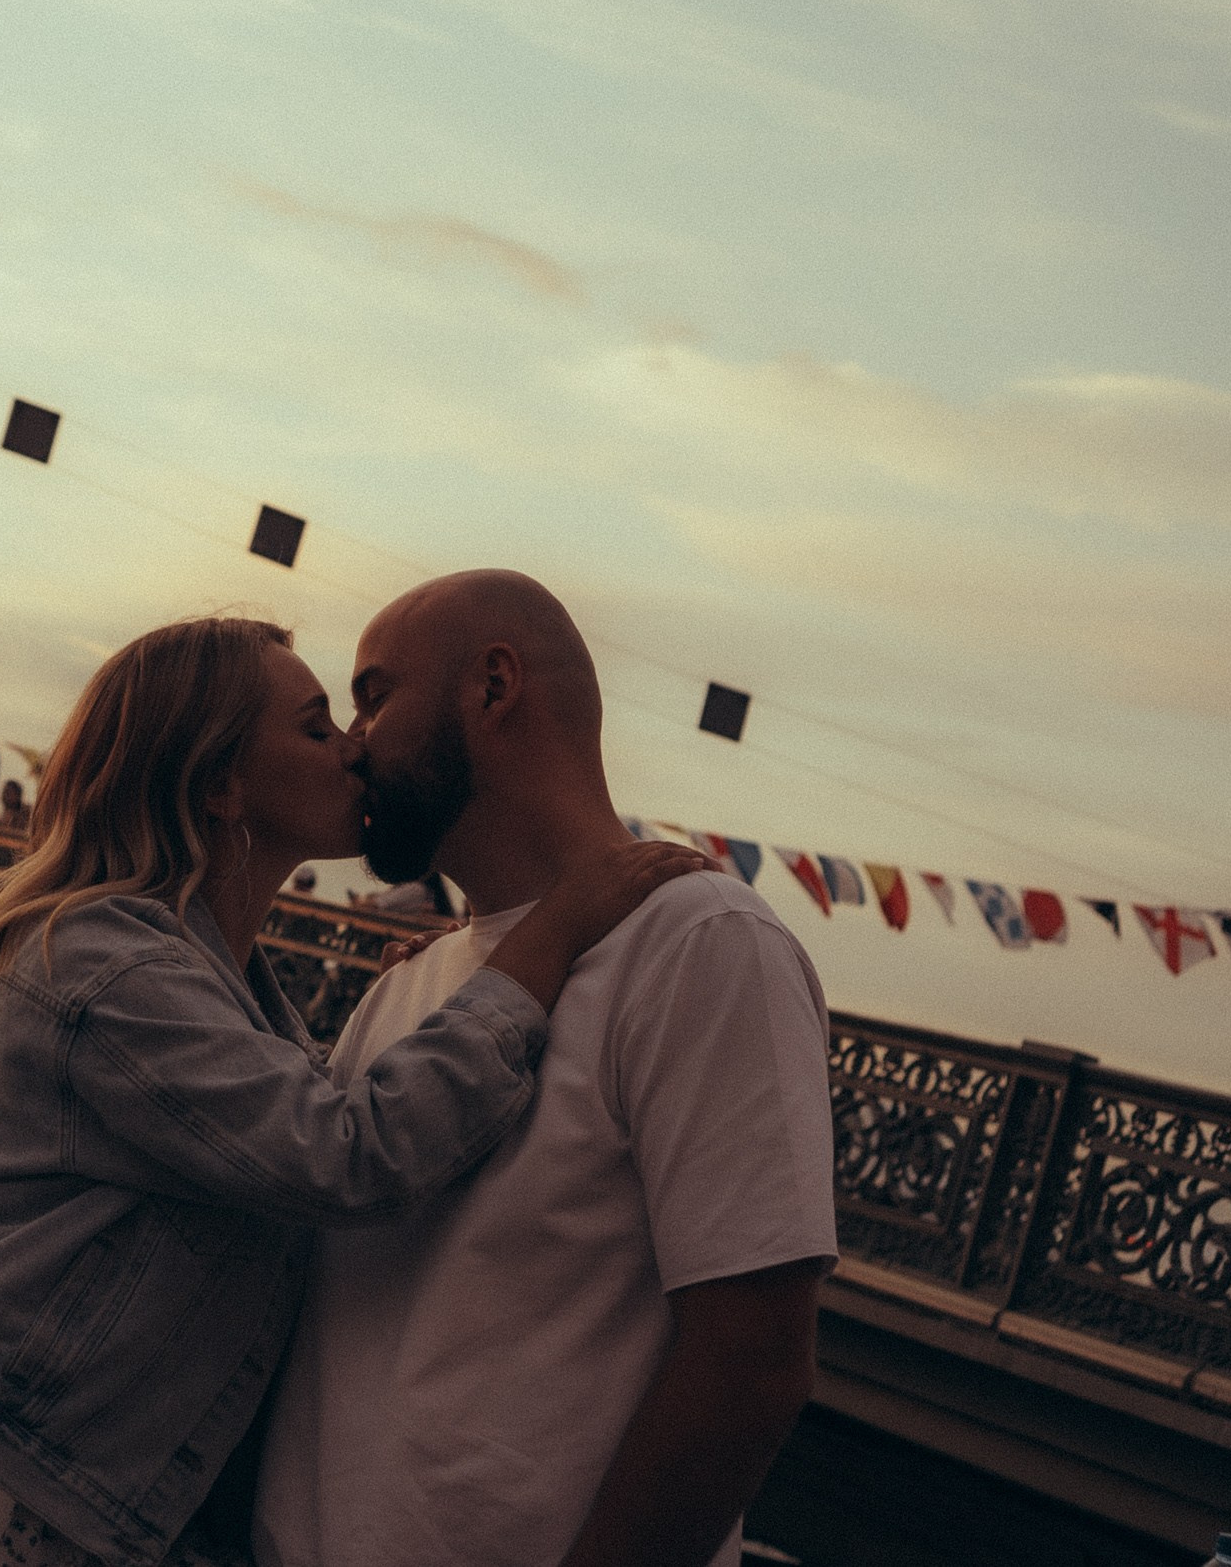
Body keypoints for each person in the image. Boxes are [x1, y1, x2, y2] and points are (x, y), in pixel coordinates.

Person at [0, 616, 708, 1567]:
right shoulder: (109, 963)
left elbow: (275, 1147)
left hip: (6, 1453)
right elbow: (346, 1156)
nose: (354, 746)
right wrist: (549, 938)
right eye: (316, 725)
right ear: (219, 784)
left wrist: (443, 992)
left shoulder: (229, 991)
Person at [253, 571, 836, 1567]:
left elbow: (752, 1360)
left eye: (373, 697)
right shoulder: (407, 987)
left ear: (493, 686)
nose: (352, 743)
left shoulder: (700, 942)